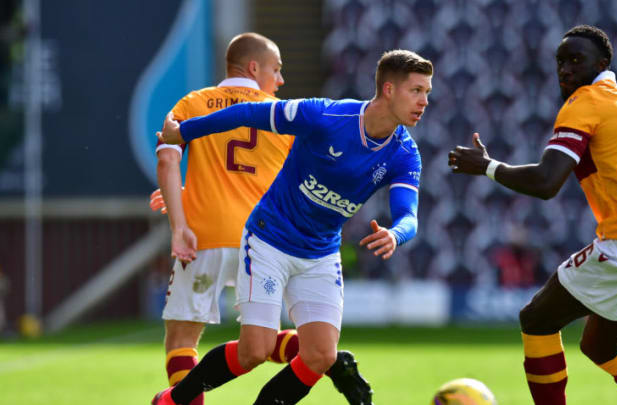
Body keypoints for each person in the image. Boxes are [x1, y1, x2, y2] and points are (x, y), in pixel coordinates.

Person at [152, 49, 432, 405]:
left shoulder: (405, 153)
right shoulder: (326, 115)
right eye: (417, 91)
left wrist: (396, 233)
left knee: (321, 356)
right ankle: (172, 400)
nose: (424, 102)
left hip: (320, 253)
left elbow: (409, 215)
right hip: (269, 239)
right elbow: (248, 113)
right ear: (389, 89)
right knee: (255, 350)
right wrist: (184, 132)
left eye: (427, 93)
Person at [449, 25, 617, 405]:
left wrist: (487, 167)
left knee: (536, 319)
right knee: (600, 346)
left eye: (576, 60)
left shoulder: (585, 101)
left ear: (603, 63)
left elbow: (547, 182)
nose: (565, 70)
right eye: (561, 62)